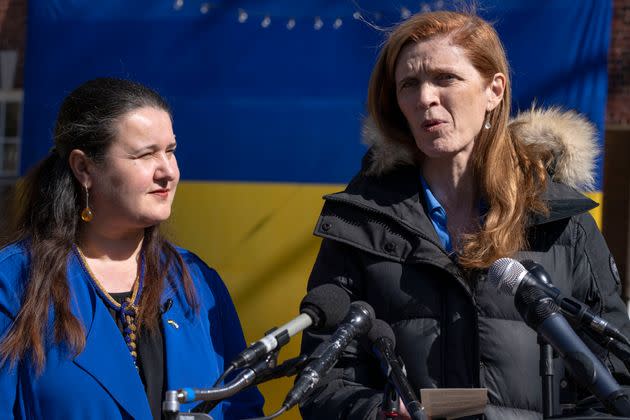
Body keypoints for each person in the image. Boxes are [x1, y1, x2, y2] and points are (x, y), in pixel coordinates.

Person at [300, 10, 630, 420]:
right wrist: (377, 412)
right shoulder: (361, 223)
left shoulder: (565, 225)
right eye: (409, 84)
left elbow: (617, 389)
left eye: (445, 78)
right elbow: (322, 384)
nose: (425, 98)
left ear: (494, 90)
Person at [0, 77, 264, 419]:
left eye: (170, 151)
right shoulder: (14, 282)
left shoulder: (198, 281)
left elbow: (241, 409)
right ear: (84, 168)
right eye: (144, 155)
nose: (167, 171)